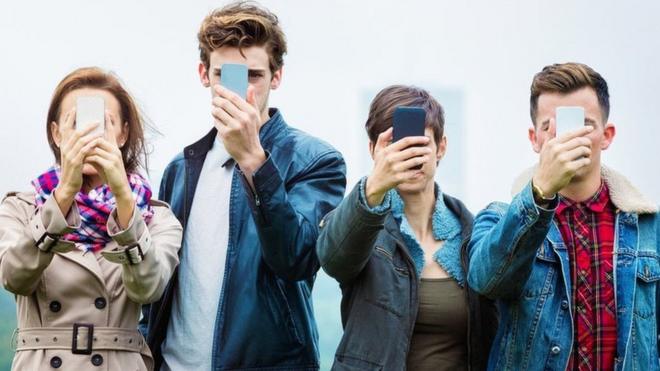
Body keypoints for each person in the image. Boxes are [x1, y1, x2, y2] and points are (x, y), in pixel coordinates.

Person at [140, 2, 347, 370]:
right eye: (226, 74)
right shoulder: (178, 170)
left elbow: (296, 259)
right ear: (204, 74)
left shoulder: (317, 161)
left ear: (276, 76)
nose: (241, 89)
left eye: (253, 75)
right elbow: (157, 280)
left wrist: (254, 160)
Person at [467, 62, 660, 370]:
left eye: (583, 124)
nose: (566, 139)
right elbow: (486, 282)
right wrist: (540, 192)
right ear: (534, 139)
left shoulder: (649, 228)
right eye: (550, 128)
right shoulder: (499, 218)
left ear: (607, 135)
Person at [0, 67, 182, 371]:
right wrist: (64, 195)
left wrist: (124, 199)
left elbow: (148, 289)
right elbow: (14, 276)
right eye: (76, 124)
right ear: (57, 134)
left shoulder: (153, 216)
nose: (87, 135)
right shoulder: (21, 207)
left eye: (101, 124)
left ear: (122, 134)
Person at [317, 85, 497, 371]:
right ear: (373, 150)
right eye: (396, 145)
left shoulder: (471, 232)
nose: (408, 156)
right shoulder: (359, 224)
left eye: (419, 145)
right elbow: (334, 260)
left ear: (442, 147)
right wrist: (375, 186)